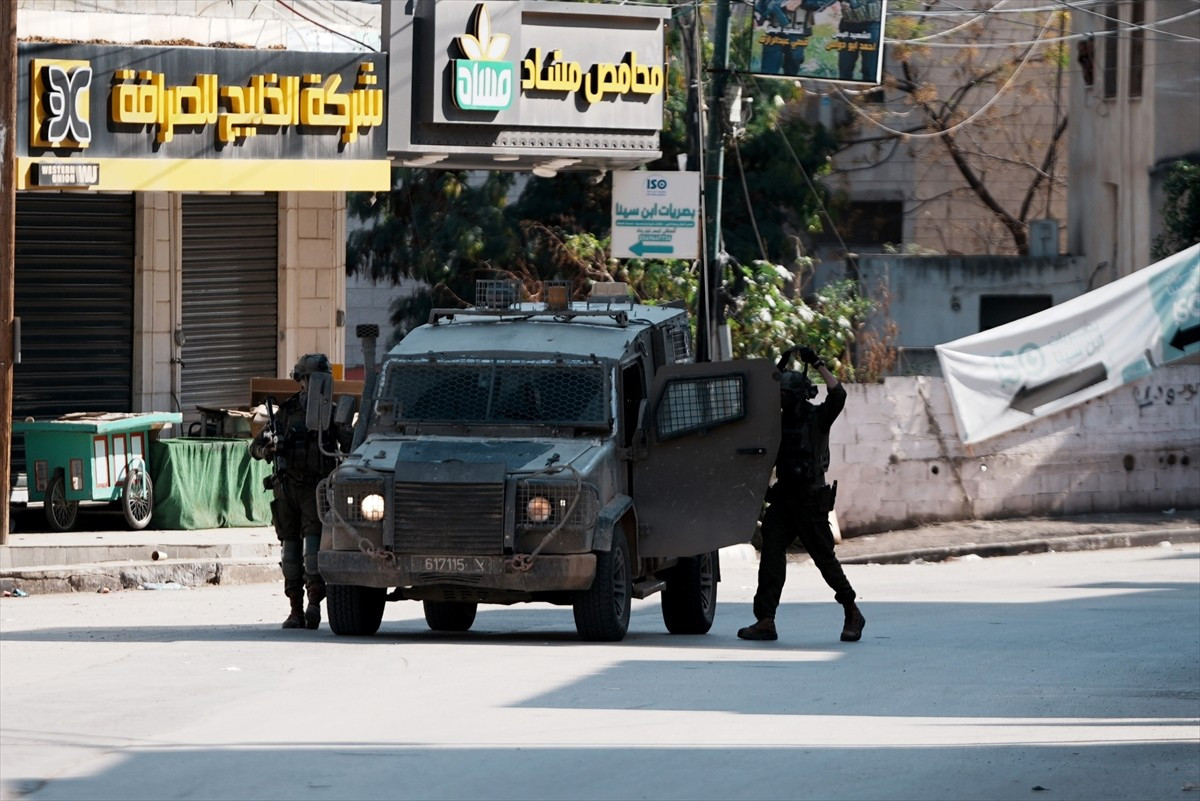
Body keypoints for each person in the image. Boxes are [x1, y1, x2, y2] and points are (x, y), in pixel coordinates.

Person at [738, 345, 866, 643]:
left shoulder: (817, 419)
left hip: (810, 499)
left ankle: (852, 610)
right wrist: (779, 367)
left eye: (784, 395)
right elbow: (757, 396)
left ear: (797, 396)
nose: (779, 400)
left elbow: (839, 395)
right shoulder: (776, 422)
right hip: (783, 499)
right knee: (771, 557)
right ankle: (766, 620)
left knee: (824, 559)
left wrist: (818, 363)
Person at [250, 353, 348, 630]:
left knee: (314, 552)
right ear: (302, 381)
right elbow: (255, 447)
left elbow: (351, 446)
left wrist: (342, 427)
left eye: (322, 379)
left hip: (316, 489)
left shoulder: (333, 411)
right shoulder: (286, 411)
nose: (317, 384)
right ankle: (295, 610)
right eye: (312, 378)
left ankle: (314, 602)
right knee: (290, 553)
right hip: (287, 488)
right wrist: (267, 448)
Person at [831, 0, 883, 82]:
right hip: (848, 24)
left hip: (872, 24)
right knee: (845, 68)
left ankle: (870, 93)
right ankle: (843, 93)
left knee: (870, 70)